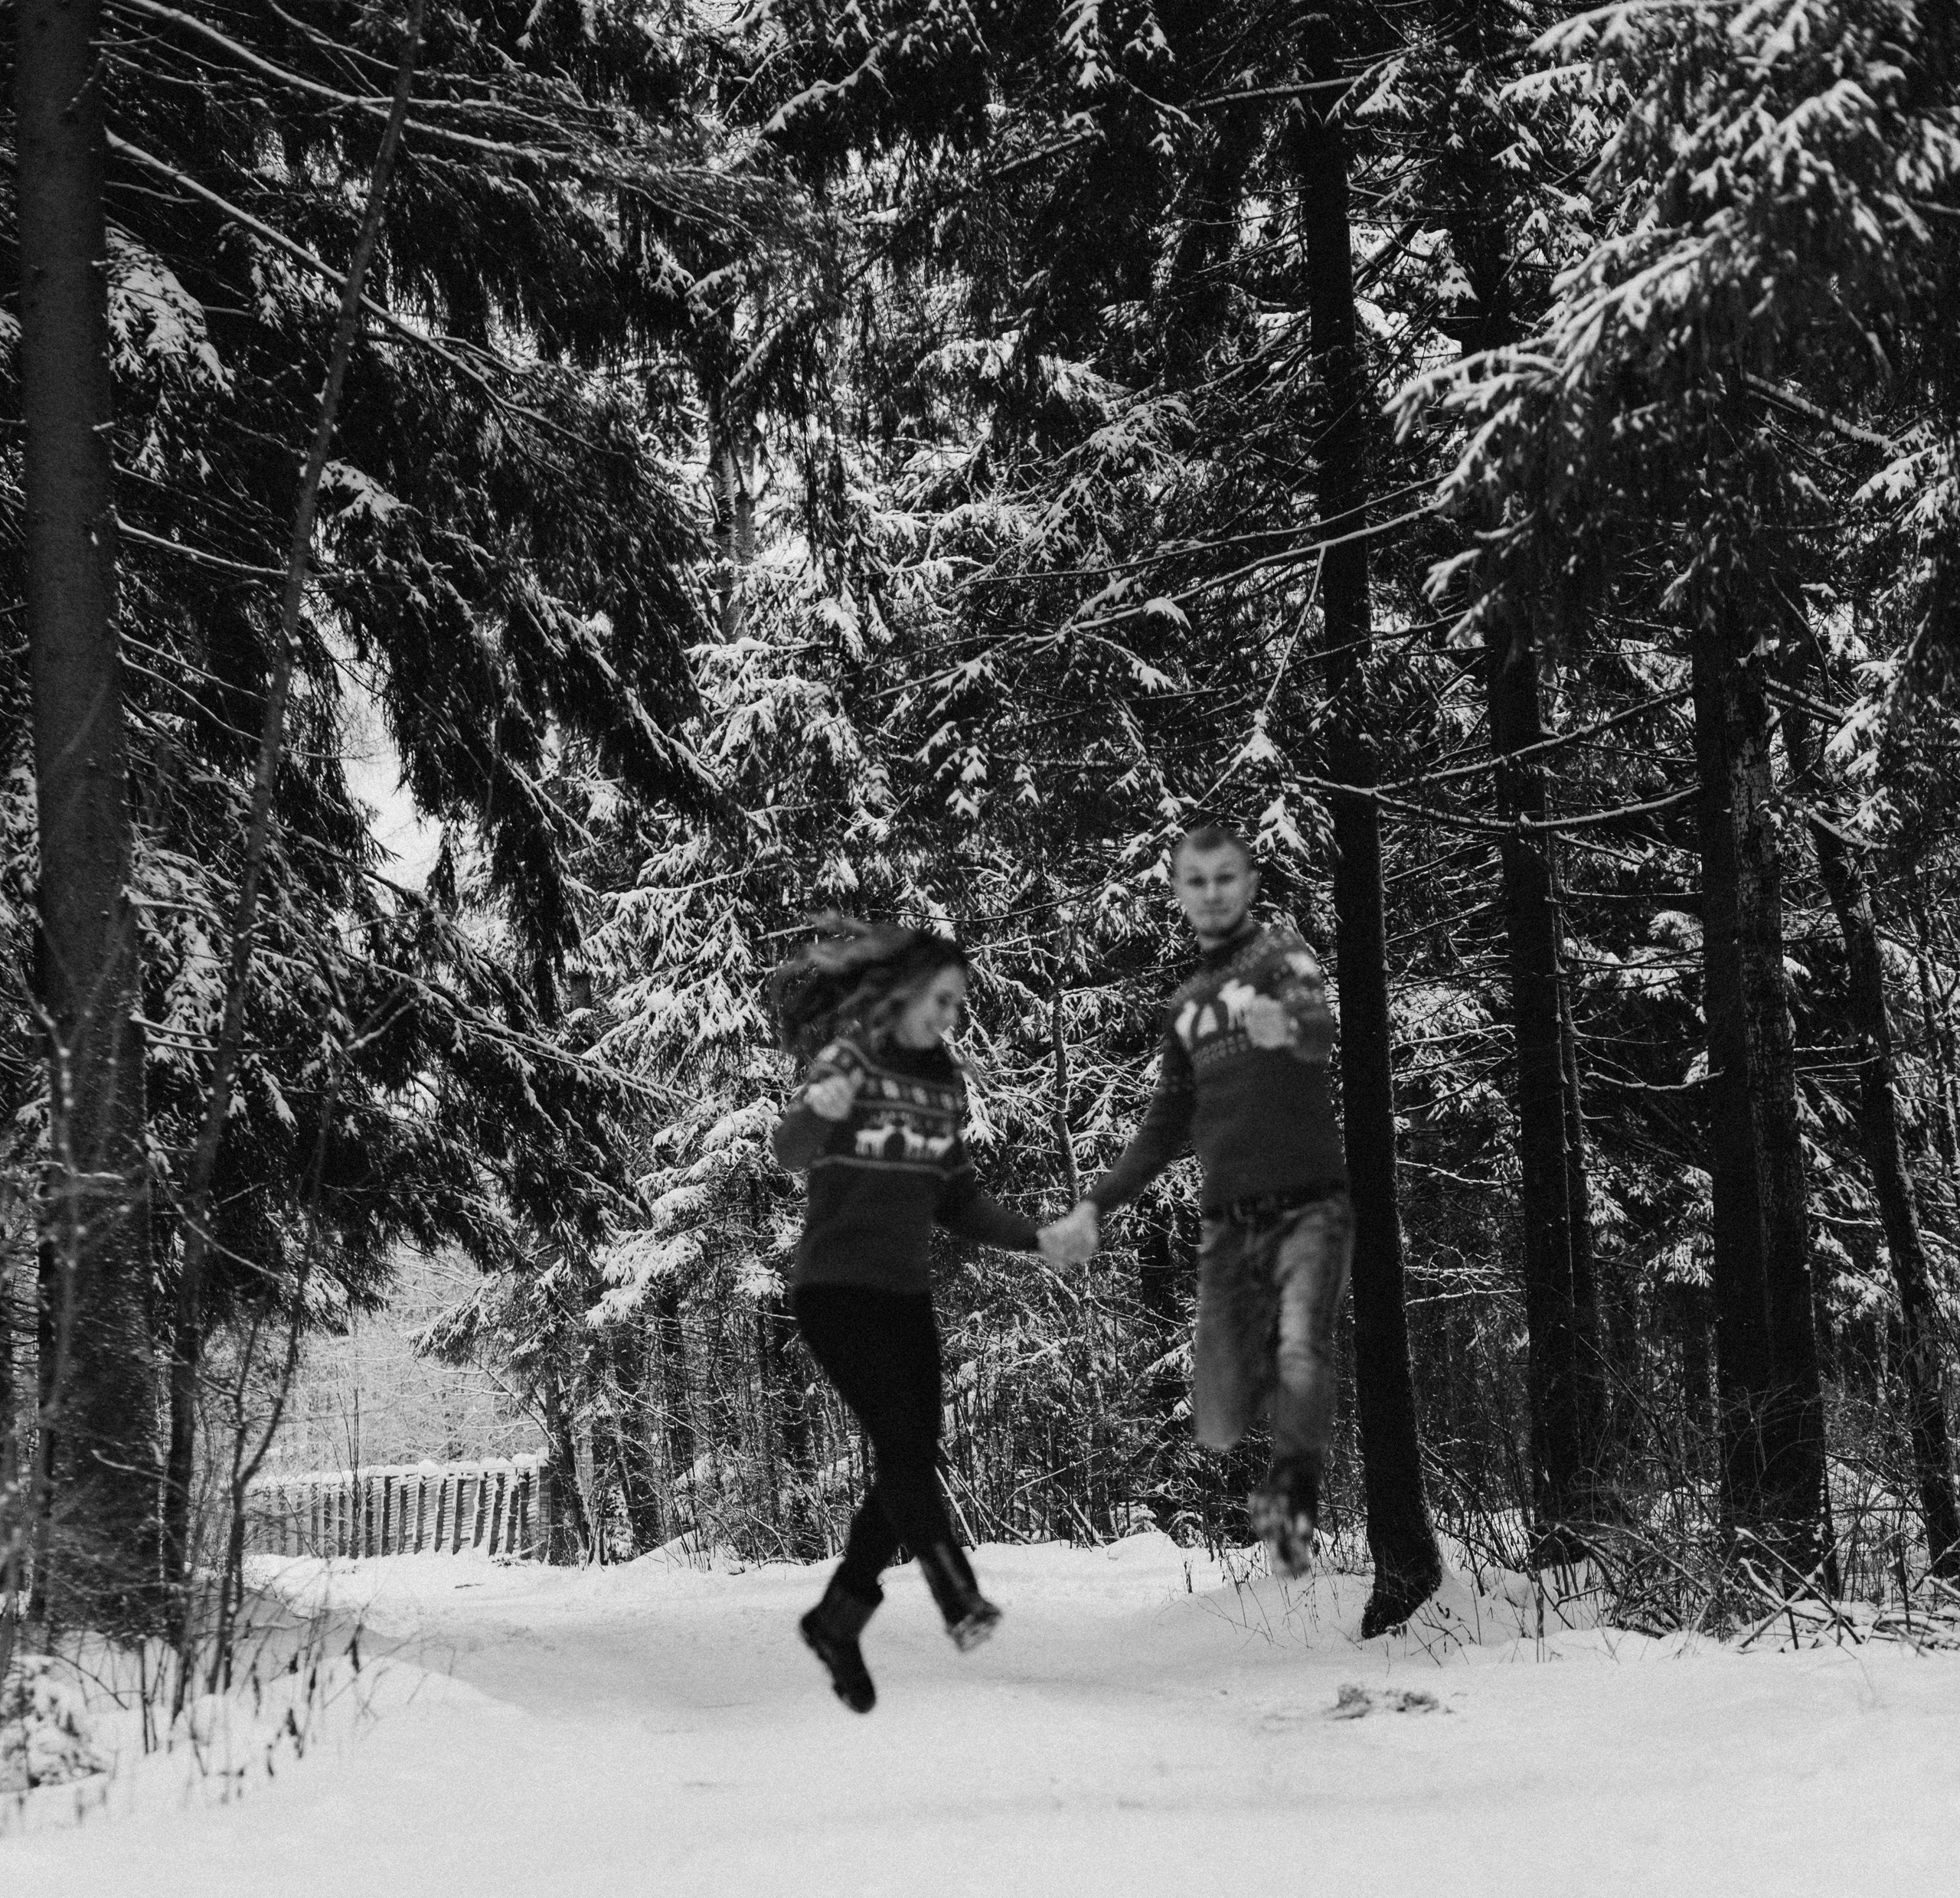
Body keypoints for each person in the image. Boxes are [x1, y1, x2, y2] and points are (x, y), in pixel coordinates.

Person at [769, 916, 1079, 1714]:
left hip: (905, 1296)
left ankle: (837, 1618)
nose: (950, 1013)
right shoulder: (851, 1060)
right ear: (907, 992)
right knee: (904, 1449)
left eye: (958, 1002)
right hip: (834, 1291)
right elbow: (791, 1150)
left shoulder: (942, 1083)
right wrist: (817, 1107)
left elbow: (957, 1197)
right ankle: (958, 1594)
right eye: (942, 998)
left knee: (911, 1456)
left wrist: (1037, 1237)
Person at [1040, 824, 1350, 1577]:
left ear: (1247, 883)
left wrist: (1292, 1026)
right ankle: (1265, 1426)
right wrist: (1094, 1205)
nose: (1211, 893)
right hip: (1228, 1222)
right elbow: (1160, 1128)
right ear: (1179, 892)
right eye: (1196, 881)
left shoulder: (1283, 959)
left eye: (1224, 878)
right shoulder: (1186, 1006)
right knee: (1214, 1419)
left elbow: (1318, 1029)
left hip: (1310, 1202)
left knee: (1302, 1345)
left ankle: (1292, 1499)